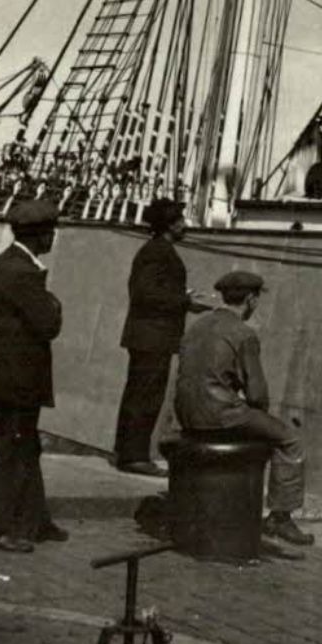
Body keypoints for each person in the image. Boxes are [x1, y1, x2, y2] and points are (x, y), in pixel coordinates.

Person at [174, 270, 314, 548]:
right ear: (250, 299)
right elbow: (258, 395)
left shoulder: (198, 325)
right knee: (290, 440)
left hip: (185, 412)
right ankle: (281, 517)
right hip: (221, 414)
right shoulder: (244, 334)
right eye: (257, 300)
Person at [0, 198, 67, 553]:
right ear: (40, 234)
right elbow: (48, 323)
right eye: (51, 232)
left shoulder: (9, 264)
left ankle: (34, 519)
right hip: (15, 377)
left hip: (5, 375)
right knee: (10, 448)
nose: (54, 237)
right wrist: (54, 303)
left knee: (26, 444)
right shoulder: (23, 272)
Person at [112, 198, 211, 475]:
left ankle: (127, 452)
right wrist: (185, 302)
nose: (184, 224)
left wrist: (182, 298)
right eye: (180, 220)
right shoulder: (158, 251)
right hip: (152, 336)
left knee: (138, 394)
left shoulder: (155, 250)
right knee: (146, 396)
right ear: (169, 224)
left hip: (148, 335)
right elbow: (144, 293)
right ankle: (134, 456)